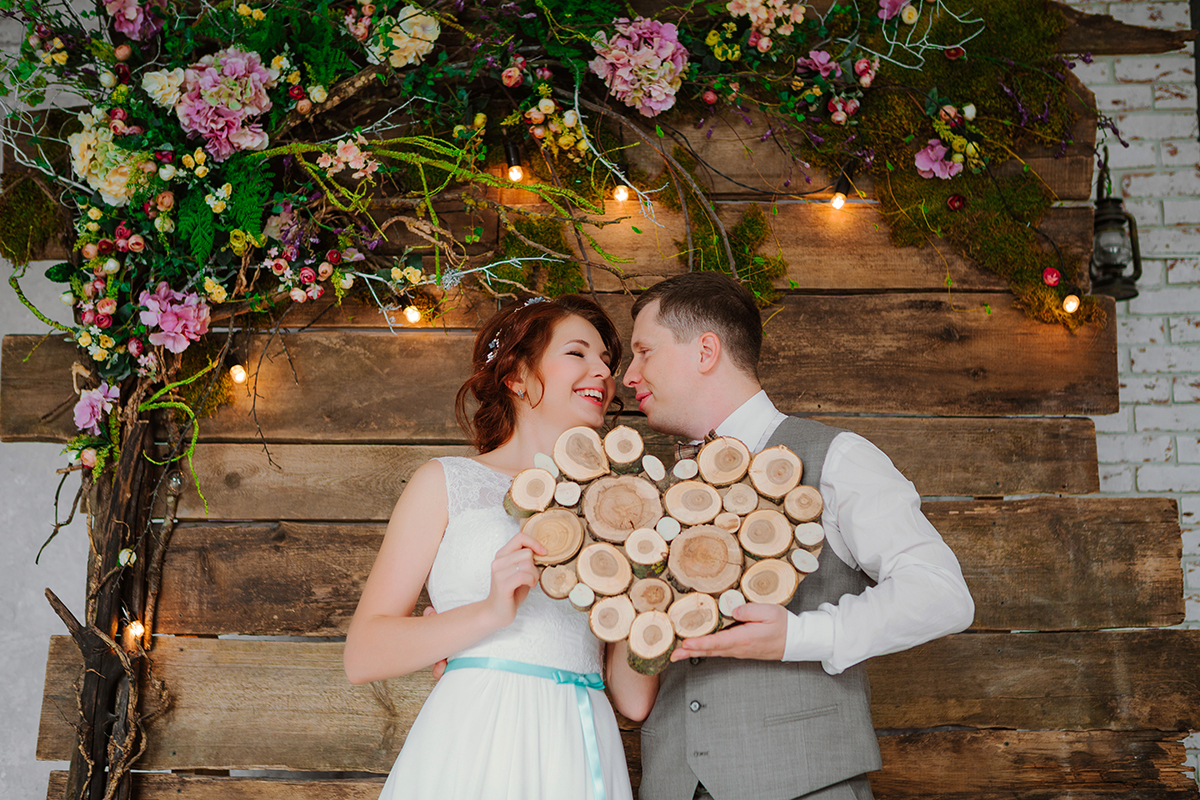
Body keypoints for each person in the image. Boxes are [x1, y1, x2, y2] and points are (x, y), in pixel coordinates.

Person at [622, 273, 975, 800]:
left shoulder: (837, 457)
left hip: (805, 783)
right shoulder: (654, 494)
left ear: (705, 351)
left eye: (644, 352)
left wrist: (799, 637)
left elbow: (941, 593)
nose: (629, 376)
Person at [344, 295, 658, 800]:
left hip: (579, 740)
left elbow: (633, 699)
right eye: (577, 353)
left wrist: (653, 581)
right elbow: (363, 655)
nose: (603, 372)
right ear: (516, 376)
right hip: (477, 734)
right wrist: (490, 612)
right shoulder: (445, 482)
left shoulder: (618, 508)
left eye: (606, 360)